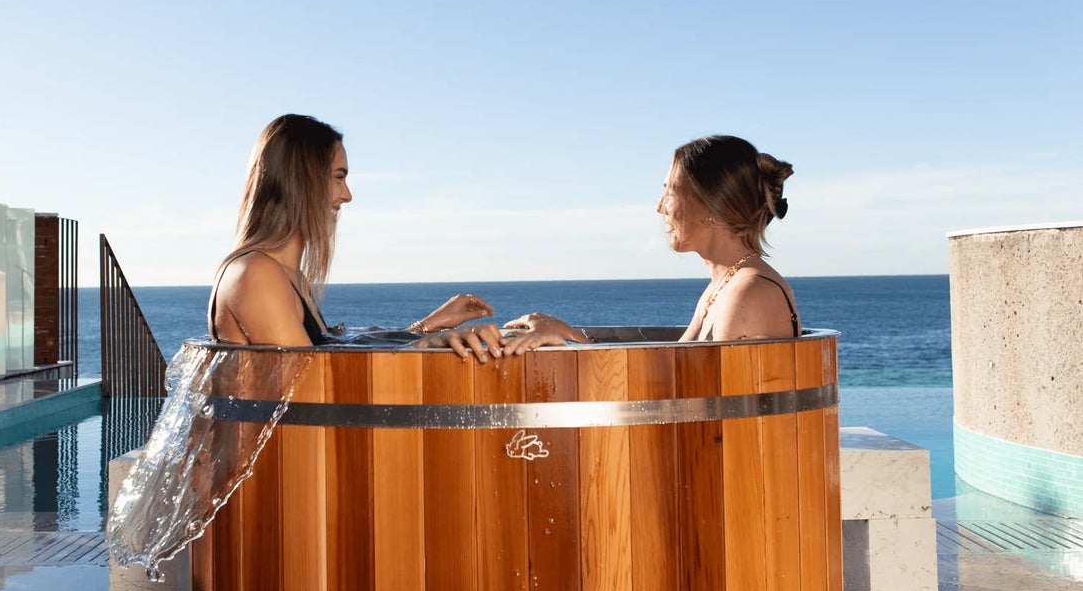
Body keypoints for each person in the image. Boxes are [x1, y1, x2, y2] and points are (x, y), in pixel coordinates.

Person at [424, 134, 798, 359]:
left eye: (670, 192)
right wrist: (568, 335)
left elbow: (707, 406)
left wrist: (572, 342)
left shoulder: (748, 292)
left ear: (709, 209)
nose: (660, 207)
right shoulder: (727, 285)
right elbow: (673, 374)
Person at [208, 114, 492, 347]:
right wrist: (427, 345)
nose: (347, 195)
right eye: (338, 178)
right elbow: (308, 391)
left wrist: (426, 328)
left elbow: (331, 358)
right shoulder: (256, 274)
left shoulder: (290, 277)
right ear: (302, 181)